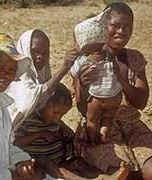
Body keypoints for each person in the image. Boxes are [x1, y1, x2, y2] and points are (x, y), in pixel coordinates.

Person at [74, 2, 151, 176]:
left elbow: (141, 102)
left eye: (127, 26)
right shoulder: (87, 60)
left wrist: (121, 80)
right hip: (99, 131)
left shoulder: (134, 58)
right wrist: (84, 86)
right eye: (115, 26)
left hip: (133, 127)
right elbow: (81, 107)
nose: (122, 32)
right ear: (103, 27)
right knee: (122, 174)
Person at [0, 32, 43, 180]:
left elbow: (5, 147)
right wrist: (11, 176)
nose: (6, 75)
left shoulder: (1, 104)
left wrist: (20, 160)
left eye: (11, 70)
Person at [7, 29, 78, 132]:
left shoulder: (42, 76)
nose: (40, 57)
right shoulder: (18, 77)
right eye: (35, 51)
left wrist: (65, 129)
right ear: (25, 50)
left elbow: (46, 104)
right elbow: (34, 100)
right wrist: (65, 68)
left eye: (45, 53)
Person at [14, 83, 86, 180]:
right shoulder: (28, 122)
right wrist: (37, 135)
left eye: (62, 115)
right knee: (44, 160)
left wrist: (69, 135)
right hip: (38, 165)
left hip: (59, 162)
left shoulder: (55, 123)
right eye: (55, 112)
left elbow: (64, 135)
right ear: (42, 104)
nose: (57, 118)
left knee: (79, 162)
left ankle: (103, 176)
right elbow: (15, 143)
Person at [71, 27, 122, 144]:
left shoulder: (84, 60)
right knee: (108, 117)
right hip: (114, 96)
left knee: (91, 120)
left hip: (97, 97)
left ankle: (93, 141)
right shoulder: (110, 55)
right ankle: (103, 135)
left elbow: (74, 73)